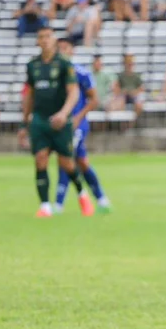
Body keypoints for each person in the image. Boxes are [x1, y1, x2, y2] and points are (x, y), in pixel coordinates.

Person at [17, 27, 87, 218]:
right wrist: (25, 123)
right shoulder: (32, 65)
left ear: (54, 39)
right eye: (41, 37)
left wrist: (64, 114)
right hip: (39, 119)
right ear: (37, 41)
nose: (45, 40)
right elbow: (29, 95)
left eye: (48, 36)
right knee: (40, 159)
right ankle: (45, 206)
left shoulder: (64, 63)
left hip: (60, 120)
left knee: (67, 164)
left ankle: (82, 193)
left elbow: (74, 92)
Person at [55, 36, 110, 215]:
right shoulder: (54, 73)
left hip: (76, 125)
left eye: (66, 48)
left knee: (65, 159)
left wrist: (78, 117)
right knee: (82, 162)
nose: (62, 51)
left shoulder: (80, 73)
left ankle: (58, 204)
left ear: (72, 51)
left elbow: (94, 99)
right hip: (60, 124)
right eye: (60, 48)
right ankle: (101, 199)